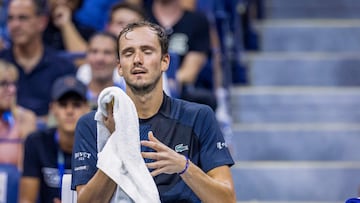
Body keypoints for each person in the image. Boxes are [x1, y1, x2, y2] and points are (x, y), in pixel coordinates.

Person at [71, 21, 236, 202]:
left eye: (147, 51)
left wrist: (184, 166)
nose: (137, 60)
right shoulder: (94, 123)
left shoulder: (198, 116)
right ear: (119, 67)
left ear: (165, 61)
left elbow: (227, 199)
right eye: (128, 53)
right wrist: (117, 145)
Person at [0, 0, 77, 127]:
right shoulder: (1, 63)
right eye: (10, 18)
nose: (15, 25)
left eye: (23, 18)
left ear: (42, 22)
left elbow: (70, 112)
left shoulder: (63, 67)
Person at [19, 75, 90, 203]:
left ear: (87, 108)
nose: (69, 111)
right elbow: (26, 200)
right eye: (63, 105)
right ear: (52, 108)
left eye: (76, 105)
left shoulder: (98, 146)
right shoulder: (36, 142)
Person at [0, 59, 36, 170]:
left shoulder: (26, 119)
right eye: (3, 84)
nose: (11, 89)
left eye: (13, 84)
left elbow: (24, 171)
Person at [79, 32, 126, 109]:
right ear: (86, 57)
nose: (99, 58)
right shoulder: (74, 94)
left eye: (107, 52)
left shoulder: (126, 96)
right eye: (94, 51)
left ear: (118, 60)